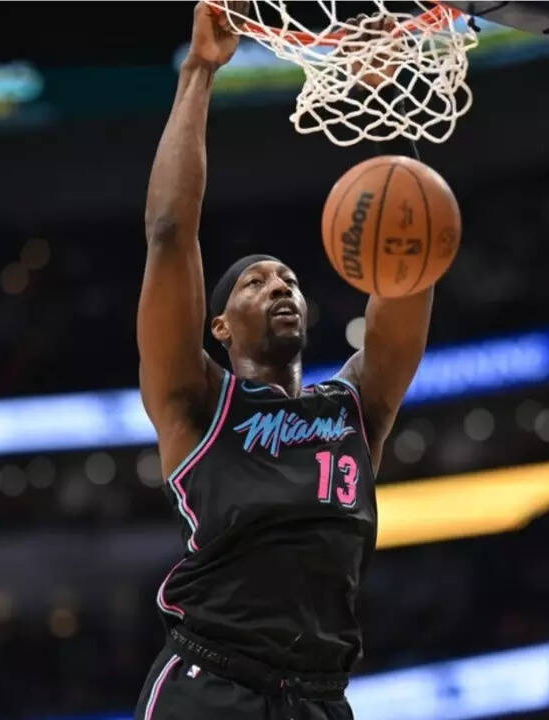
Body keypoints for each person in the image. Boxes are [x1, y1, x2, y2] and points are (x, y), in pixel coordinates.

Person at [135, 4, 434, 718]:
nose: (281, 285)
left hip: (320, 697)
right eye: (255, 280)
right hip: (212, 685)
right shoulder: (196, 404)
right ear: (219, 327)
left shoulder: (355, 406)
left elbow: (411, 252)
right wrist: (199, 71)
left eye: (291, 279)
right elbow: (170, 234)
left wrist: (391, 96)